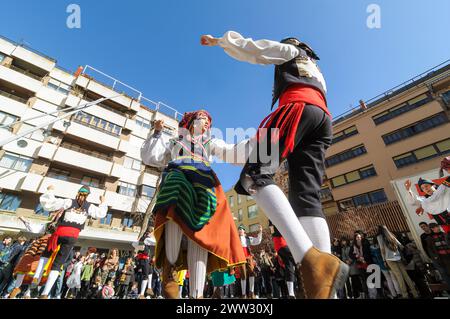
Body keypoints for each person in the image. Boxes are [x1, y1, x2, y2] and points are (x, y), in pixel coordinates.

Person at [201, 31, 348, 298]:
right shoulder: (316, 71)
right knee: (306, 198)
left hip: (297, 109)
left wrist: (222, 41)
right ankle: (326, 291)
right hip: (322, 121)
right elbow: (240, 152)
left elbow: (256, 50)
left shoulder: (291, 53)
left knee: (255, 175)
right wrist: (210, 145)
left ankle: (313, 262)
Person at [140, 110, 247, 299]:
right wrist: (156, 133)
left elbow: (231, 152)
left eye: (209, 122)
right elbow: (151, 157)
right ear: (190, 122)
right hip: (178, 174)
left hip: (203, 182)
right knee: (175, 193)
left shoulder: (210, 142)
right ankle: (170, 273)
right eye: (202, 119)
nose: (207, 124)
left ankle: (196, 296)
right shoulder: (174, 142)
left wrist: (260, 148)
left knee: (200, 232)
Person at [34, 185, 107, 298]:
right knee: (58, 264)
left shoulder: (69, 202)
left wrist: (50, 190)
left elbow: (50, 204)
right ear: (87, 195)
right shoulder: (89, 207)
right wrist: (102, 202)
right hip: (72, 237)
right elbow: (101, 213)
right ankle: (45, 293)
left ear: (78, 192)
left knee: (47, 253)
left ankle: (36, 277)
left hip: (60, 233)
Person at [377, 225, 419, 298]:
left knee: (399, 276)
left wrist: (384, 260)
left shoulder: (379, 237)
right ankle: (415, 293)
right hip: (398, 257)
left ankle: (405, 294)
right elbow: (401, 246)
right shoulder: (391, 235)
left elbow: (382, 250)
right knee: (406, 275)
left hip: (389, 258)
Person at [269, 220, 296, 298]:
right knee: (298, 259)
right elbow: (274, 232)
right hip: (282, 244)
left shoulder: (272, 222)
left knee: (289, 266)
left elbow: (272, 232)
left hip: (280, 245)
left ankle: (291, 293)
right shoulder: (274, 220)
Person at [237, 225, 262, 299]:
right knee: (243, 276)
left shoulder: (248, 238)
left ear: (244, 231)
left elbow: (257, 241)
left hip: (248, 257)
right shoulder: (236, 239)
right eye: (239, 229)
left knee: (252, 273)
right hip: (241, 258)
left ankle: (251, 293)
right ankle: (244, 294)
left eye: (241, 229)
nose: (240, 230)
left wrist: (260, 231)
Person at [132, 228, 156, 299]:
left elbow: (133, 244)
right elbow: (155, 242)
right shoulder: (147, 239)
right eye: (152, 233)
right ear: (150, 232)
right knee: (145, 276)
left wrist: (139, 244)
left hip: (142, 259)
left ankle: (149, 288)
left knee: (150, 271)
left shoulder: (143, 238)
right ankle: (141, 294)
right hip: (144, 259)